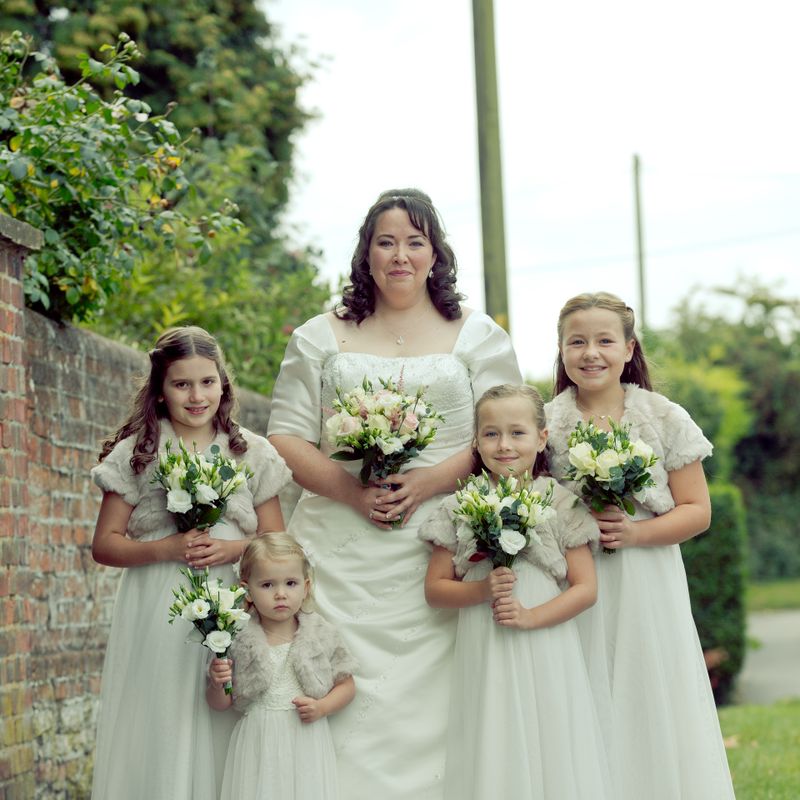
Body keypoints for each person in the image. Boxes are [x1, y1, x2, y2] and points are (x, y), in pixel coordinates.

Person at [267, 189, 522, 799]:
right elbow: (286, 437)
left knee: (440, 695)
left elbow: (507, 430)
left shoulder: (478, 337)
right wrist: (355, 495)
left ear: (436, 253)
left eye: (414, 241)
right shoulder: (319, 336)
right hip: (337, 545)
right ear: (366, 254)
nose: (400, 255)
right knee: (329, 676)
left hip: (442, 543)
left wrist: (431, 481)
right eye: (386, 242)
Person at [545, 292, 735, 799]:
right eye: (576, 342)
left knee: (648, 687)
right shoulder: (548, 425)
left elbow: (697, 510)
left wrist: (636, 533)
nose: (591, 353)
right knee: (582, 686)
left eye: (605, 341)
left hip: (647, 576)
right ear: (561, 352)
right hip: (575, 578)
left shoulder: (663, 417)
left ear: (629, 349)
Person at [89, 326, 292, 800]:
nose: (196, 395)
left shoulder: (251, 451)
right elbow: (105, 544)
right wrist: (165, 549)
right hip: (159, 603)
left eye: (207, 382)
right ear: (160, 391)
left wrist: (232, 550)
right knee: (165, 712)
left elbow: (278, 540)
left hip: (231, 597)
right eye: (181, 384)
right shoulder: (139, 453)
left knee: (225, 703)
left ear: (223, 385)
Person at [420, 384, 613, 799]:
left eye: (517, 433)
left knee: (548, 725)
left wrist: (531, 617)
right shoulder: (460, 506)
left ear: (542, 438)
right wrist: (482, 591)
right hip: (485, 637)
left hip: (545, 638)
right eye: (491, 434)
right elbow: (435, 591)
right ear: (476, 440)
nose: (504, 445)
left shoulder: (562, 503)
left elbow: (585, 589)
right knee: (494, 723)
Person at [207, 533, 357, 799]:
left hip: (305, 738)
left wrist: (323, 707)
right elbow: (221, 704)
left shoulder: (319, 633)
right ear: (248, 590)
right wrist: (218, 684)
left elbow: (347, 684)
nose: (280, 594)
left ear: (306, 586)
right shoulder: (238, 638)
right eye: (267, 585)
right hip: (258, 741)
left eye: (290, 583)